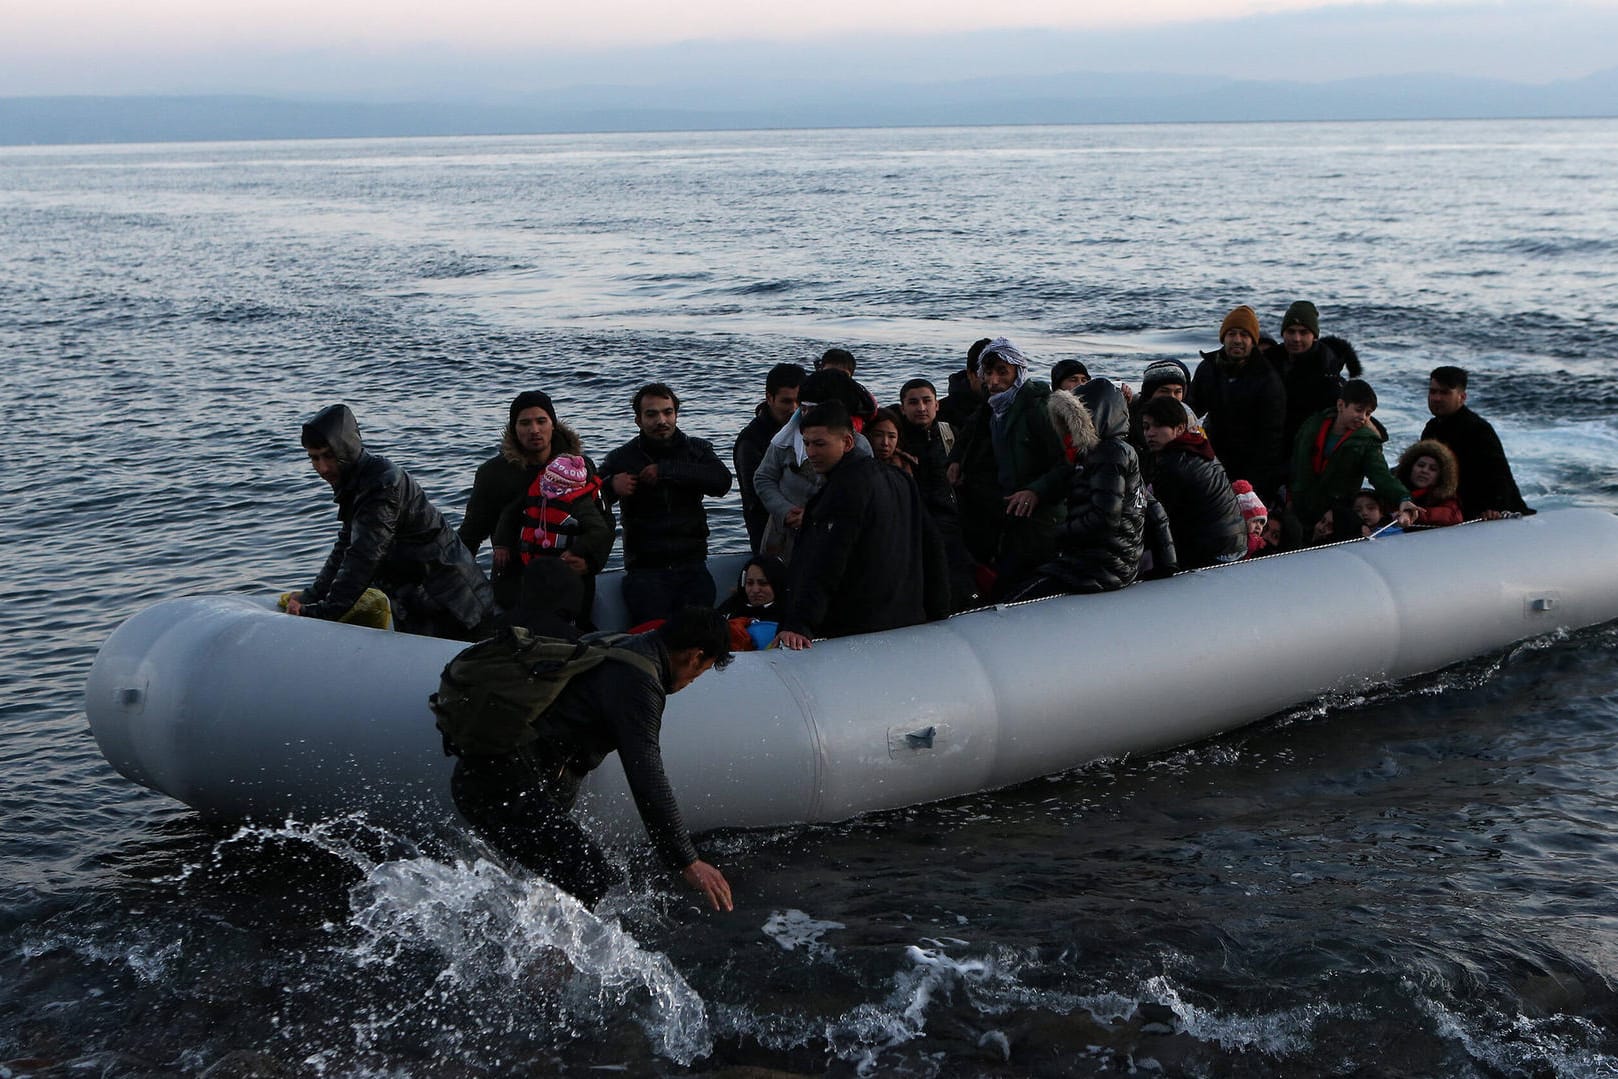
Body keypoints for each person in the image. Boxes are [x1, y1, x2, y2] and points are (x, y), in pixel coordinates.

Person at [448, 607, 736, 911]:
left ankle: (536, 952)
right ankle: (544, 958)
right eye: (700, 672)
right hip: (503, 785)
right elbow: (647, 775)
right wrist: (687, 860)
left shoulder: (612, 643)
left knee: (553, 881)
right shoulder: (639, 681)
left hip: (491, 777)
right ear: (695, 656)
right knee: (592, 878)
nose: (692, 681)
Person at [289, 404, 494, 639]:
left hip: (456, 607)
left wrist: (320, 613)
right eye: (314, 458)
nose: (322, 468)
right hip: (425, 602)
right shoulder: (358, 483)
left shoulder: (382, 485)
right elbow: (346, 545)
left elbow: (364, 557)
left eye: (328, 456)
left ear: (346, 449)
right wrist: (312, 595)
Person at [774, 403, 950, 649]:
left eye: (820, 444)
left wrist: (799, 623)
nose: (811, 452)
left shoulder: (843, 489)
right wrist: (939, 609)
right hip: (907, 617)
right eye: (807, 443)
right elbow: (932, 546)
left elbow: (827, 559)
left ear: (847, 443)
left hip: (858, 628)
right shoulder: (900, 478)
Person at [946, 337, 1070, 597]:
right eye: (988, 373)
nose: (993, 381)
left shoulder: (1038, 407)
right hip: (1012, 521)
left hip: (1043, 522)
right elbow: (970, 433)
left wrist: (1035, 491)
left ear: (1018, 372)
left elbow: (1068, 465)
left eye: (1003, 372)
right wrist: (956, 461)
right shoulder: (996, 408)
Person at [600, 384, 733, 626]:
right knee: (653, 644)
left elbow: (722, 482)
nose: (661, 420)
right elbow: (589, 501)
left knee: (700, 641)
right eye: (651, 414)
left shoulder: (697, 449)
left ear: (676, 415)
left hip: (692, 566)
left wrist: (668, 470)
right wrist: (610, 486)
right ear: (638, 420)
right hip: (645, 571)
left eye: (667, 412)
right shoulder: (621, 457)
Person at [459, 390, 603, 609]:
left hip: (571, 580)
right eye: (525, 423)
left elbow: (604, 521)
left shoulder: (580, 466)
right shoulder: (493, 473)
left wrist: (591, 563)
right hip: (515, 584)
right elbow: (471, 533)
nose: (534, 430)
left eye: (541, 421)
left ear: (553, 424)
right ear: (514, 429)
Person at [1009, 379, 1150, 599]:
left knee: (1018, 597)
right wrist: (1167, 565)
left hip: (1100, 567)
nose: (1066, 433)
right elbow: (1155, 509)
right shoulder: (1107, 454)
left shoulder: (1109, 454)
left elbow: (1105, 519)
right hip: (1111, 562)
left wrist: (1059, 534)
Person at [752, 369, 873, 562]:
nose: (805, 415)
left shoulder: (859, 447)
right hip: (783, 535)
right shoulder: (784, 440)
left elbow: (860, 497)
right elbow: (763, 478)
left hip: (832, 538)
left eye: (812, 409)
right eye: (803, 408)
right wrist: (785, 511)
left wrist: (814, 515)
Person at [1289, 379, 1418, 538]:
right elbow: (1295, 462)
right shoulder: (1313, 425)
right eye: (1358, 410)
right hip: (1298, 504)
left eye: (1368, 413)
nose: (1363, 417)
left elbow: (1381, 476)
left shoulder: (1367, 442)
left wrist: (1403, 498)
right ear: (1341, 405)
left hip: (1334, 515)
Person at [1188, 305, 1287, 507]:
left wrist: (1254, 484)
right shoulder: (1208, 368)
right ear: (1223, 337)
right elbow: (1190, 410)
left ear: (1253, 341)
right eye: (1232, 333)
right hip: (1212, 459)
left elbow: (1271, 438)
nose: (1238, 340)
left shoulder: (1267, 378)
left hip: (1251, 465)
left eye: (1244, 334)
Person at [508, 453, 614, 634]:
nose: (549, 489)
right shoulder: (536, 491)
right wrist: (502, 546)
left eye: (555, 485)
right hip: (536, 569)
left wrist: (580, 554)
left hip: (572, 571)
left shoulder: (581, 503)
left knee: (576, 617)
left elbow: (602, 530)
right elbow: (510, 516)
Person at [1139, 395, 1247, 569]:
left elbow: (1160, 518)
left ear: (1180, 428)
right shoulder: (1200, 448)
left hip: (1213, 551)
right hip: (1235, 542)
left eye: (1159, 426)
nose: (1150, 433)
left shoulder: (1175, 464)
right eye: (1146, 427)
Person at [1421, 366, 1532, 520]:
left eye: (1445, 392)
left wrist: (1495, 508)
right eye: (1433, 392)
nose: (1437, 398)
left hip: (1489, 514)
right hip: (1455, 509)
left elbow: (1499, 474)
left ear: (1462, 397)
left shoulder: (1478, 429)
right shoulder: (1431, 428)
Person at [1265, 301, 1363, 450]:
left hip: (1311, 449)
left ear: (1314, 336)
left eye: (1303, 332)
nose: (1296, 338)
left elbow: (1350, 413)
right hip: (1272, 445)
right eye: (1291, 331)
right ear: (1283, 333)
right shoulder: (1269, 361)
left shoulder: (1326, 370)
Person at [734, 363, 805, 551]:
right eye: (786, 401)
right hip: (768, 535)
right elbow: (755, 496)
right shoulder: (751, 440)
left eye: (799, 402)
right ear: (769, 398)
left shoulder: (807, 431)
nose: (794, 409)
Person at [717, 554, 788, 651]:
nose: (755, 590)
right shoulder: (732, 604)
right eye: (749, 583)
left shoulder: (790, 613)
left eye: (763, 583)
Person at [1394, 439, 1464, 527]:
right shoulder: (1393, 490)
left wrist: (1412, 513)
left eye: (1433, 469)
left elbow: (1453, 516)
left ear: (1441, 476)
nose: (1424, 471)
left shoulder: (1445, 497)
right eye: (1421, 465)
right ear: (1410, 467)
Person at [937, 337, 990, 427]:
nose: (995, 380)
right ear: (970, 374)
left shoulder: (1011, 407)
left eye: (1002, 373)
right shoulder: (941, 412)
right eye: (988, 373)